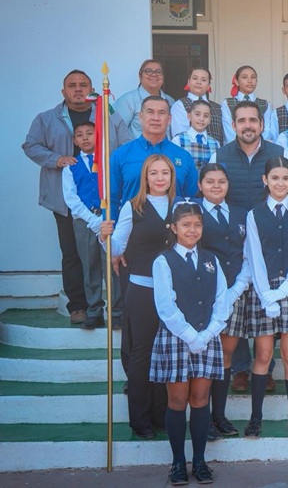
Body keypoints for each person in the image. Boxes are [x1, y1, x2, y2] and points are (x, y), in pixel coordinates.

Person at [23, 69, 131, 324]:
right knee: (73, 254)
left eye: (83, 85)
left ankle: (116, 309)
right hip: (65, 199)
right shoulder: (47, 119)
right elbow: (30, 145)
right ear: (64, 91)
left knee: (111, 253)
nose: (78, 89)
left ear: (92, 89)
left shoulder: (108, 116)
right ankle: (80, 306)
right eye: (72, 85)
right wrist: (56, 159)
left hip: (106, 200)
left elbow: (126, 145)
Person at [210, 100, 288, 394]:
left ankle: (266, 366)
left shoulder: (278, 152)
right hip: (232, 240)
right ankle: (239, 367)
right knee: (237, 306)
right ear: (233, 125)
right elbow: (213, 190)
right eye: (242, 120)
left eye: (253, 120)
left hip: (271, 238)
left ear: (262, 124)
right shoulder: (220, 154)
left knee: (266, 302)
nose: (247, 125)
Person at [150, 201, 235, 485]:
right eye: (186, 225)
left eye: (197, 225)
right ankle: (178, 463)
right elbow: (166, 306)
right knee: (177, 400)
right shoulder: (163, 261)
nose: (192, 230)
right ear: (174, 228)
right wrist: (190, 336)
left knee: (200, 399)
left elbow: (222, 300)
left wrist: (208, 334)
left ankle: (199, 461)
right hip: (177, 338)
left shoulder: (211, 260)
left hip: (206, 337)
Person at [100, 154, 176, 440]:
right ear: (145, 177)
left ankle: (161, 414)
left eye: (165, 172)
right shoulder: (132, 207)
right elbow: (116, 247)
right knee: (142, 353)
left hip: (173, 292)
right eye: (153, 172)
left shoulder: (181, 206)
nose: (159, 178)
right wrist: (104, 236)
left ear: (172, 176)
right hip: (142, 289)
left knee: (165, 353)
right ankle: (140, 420)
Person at [244, 156, 288, 438]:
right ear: (265, 180)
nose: (280, 183)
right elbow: (254, 255)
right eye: (275, 178)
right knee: (263, 354)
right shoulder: (255, 214)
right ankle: (255, 418)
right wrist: (266, 295)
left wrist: (284, 290)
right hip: (263, 288)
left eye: (286, 178)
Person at [193, 163, 251, 442]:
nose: (216, 186)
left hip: (234, 294)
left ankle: (219, 415)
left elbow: (249, 255)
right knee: (204, 357)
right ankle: (202, 418)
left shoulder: (241, 214)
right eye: (210, 181)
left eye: (221, 181)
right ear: (200, 185)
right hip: (203, 296)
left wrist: (235, 290)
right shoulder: (192, 212)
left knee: (225, 356)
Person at [61, 122, 122, 330]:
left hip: (109, 220)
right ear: (75, 140)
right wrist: (93, 220)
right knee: (90, 266)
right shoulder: (71, 166)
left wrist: (106, 218)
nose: (85, 138)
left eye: (90, 133)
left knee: (112, 265)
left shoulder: (109, 162)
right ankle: (94, 311)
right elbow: (71, 199)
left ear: (98, 136)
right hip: (85, 222)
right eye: (80, 135)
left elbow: (116, 191)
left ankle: (116, 311)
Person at [109, 95, 198, 220]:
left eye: (161, 113)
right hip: (132, 228)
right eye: (150, 112)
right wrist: (113, 227)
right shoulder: (121, 155)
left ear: (169, 119)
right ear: (140, 117)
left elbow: (193, 199)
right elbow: (111, 199)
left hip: (173, 228)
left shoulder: (184, 157)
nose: (156, 118)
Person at [114, 59, 175, 138]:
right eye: (148, 71)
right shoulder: (128, 100)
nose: (154, 74)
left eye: (158, 72)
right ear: (140, 76)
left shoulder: (170, 101)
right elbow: (116, 131)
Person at [221, 65, 279, 144]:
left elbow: (267, 132)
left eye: (253, 77)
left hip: (260, 148)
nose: (250, 81)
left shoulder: (265, 104)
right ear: (236, 81)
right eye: (244, 77)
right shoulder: (227, 103)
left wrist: (257, 146)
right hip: (234, 147)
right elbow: (228, 131)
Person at [170, 67, 225, 145]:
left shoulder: (218, 108)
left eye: (203, 80)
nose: (199, 82)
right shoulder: (179, 105)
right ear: (188, 82)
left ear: (209, 85)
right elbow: (179, 136)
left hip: (215, 150)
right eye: (195, 78)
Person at [171, 99, 222, 173]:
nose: (201, 119)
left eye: (206, 116)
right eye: (197, 114)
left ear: (209, 120)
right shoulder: (178, 140)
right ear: (189, 116)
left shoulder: (215, 144)